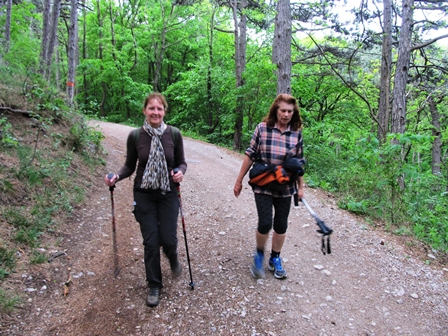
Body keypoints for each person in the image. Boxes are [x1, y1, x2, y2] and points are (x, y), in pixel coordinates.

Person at [105, 92, 187, 307]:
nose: (156, 112)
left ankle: (172, 257)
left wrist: (179, 172)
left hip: (168, 191)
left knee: (168, 239)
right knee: (151, 241)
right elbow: (129, 165)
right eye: (152, 108)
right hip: (144, 193)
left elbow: (181, 162)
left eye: (159, 109)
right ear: (144, 111)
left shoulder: (174, 134)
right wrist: (116, 176)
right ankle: (154, 285)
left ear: (164, 111)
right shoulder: (135, 136)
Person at [233, 93, 305, 280]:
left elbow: (299, 164)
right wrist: (239, 180)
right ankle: (259, 254)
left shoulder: (296, 133)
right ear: (276, 110)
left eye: (290, 111)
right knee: (265, 222)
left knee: (281, 225)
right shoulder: (262, 129)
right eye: (283, 110)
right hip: (264, 183)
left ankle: (275, 258)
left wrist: (301, 188)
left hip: (285, 186)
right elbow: (250, 154)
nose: (286, 114)